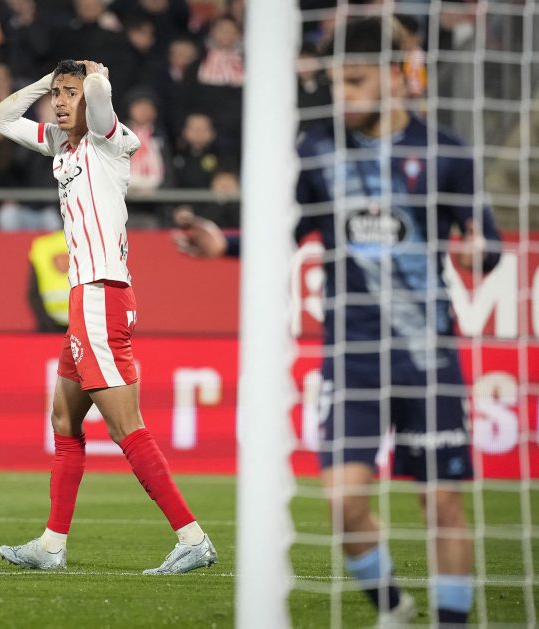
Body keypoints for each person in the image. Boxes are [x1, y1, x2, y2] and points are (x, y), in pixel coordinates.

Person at [174, 17, 502, 625]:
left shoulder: (445, 152)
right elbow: (284, 233)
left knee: (442, 505)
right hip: (351, 358)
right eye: (335, 83)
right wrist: (224, 244)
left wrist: (477, 252)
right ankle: (394, 609)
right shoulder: (316, 150)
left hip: (427, 357)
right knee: (342, 502)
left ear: (395, 77)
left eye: (355, 81)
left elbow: (488, 241)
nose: (342, 95)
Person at [0, 58, 217, 574]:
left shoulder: (109, 141)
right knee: (64, 419)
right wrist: (48, 81)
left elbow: (99, 99)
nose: (61, 102)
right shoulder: (59, 145)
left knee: (126, 426)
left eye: (70, 93)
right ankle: (51, 545)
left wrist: (94, 79)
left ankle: (192, 537)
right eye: (57, 94)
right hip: (84, 298)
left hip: (101, 294)